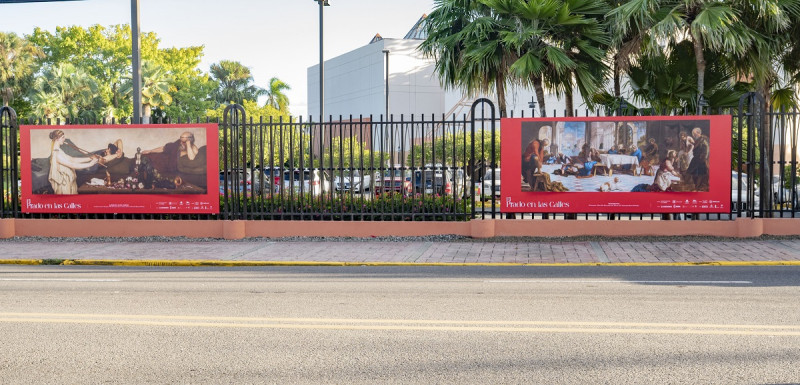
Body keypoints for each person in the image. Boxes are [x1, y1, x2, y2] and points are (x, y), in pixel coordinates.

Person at [47, 130, 99, 194]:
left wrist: (90, 158)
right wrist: (91, 164)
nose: (64, 139)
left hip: (68, 183)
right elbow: (72, 165)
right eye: (63, 137)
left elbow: (72, 159)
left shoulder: (59, 151)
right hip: (64, 185)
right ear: (57, 139)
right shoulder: (56, 154)